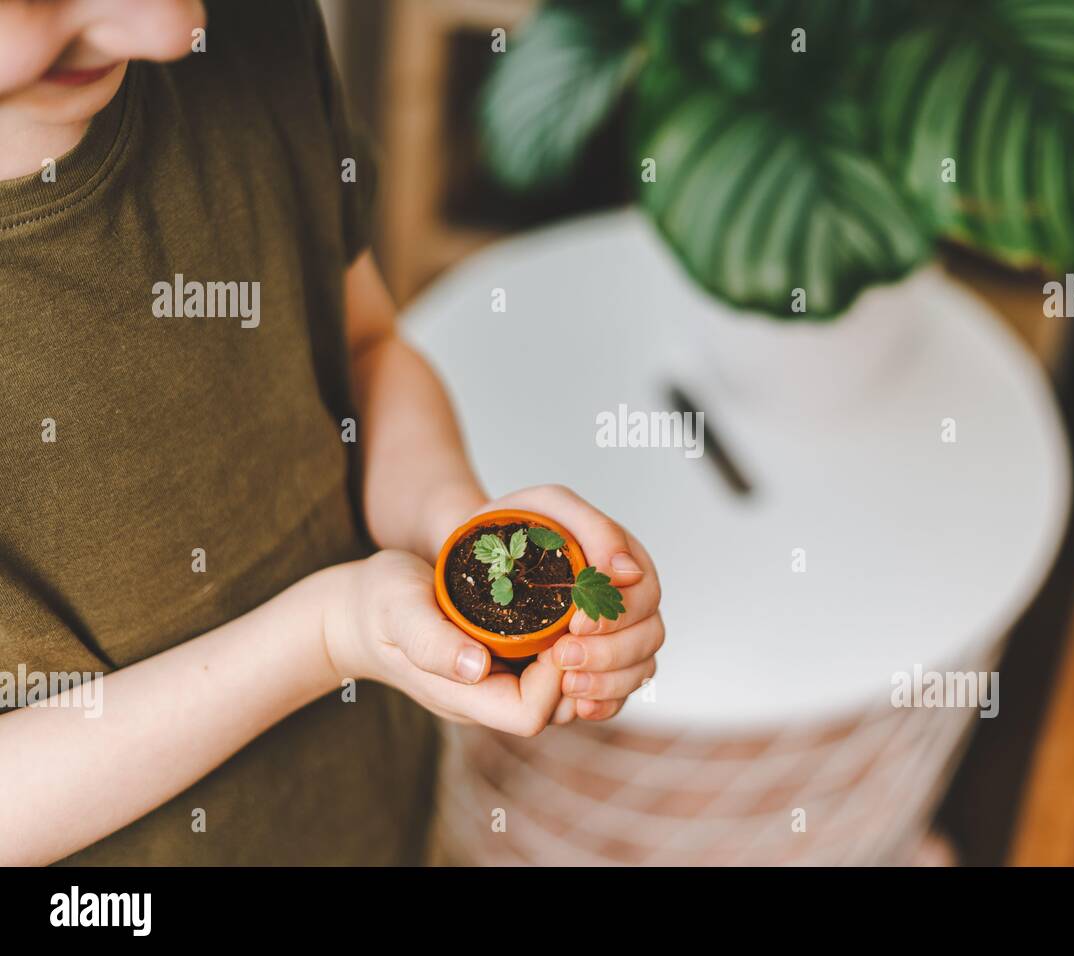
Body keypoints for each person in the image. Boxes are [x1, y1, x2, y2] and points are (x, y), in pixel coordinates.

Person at [0, 0, 663, 865]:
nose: (170, 28)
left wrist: (457, 535)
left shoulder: (251, 26)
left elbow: (363, 347)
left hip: (372, 800)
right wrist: (325, 637)